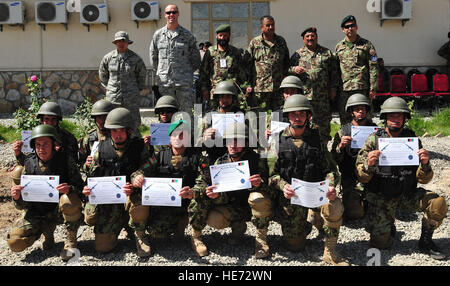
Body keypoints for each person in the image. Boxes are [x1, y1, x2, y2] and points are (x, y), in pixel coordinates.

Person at [356, 97, 448, 260]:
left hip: (406, 194)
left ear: (405, 118)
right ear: (385, 117)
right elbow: (361, 177)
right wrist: (368, 164)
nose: (396, 119)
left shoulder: (412, 140)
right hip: (381, 197)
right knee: (380, 244)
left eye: (399, 116)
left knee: (438, 203)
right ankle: (387, 223)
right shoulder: (373, 140)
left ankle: (425, 241)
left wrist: (425, 164)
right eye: (392, 116)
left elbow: (424, 179)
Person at [268, 94, 349, 266]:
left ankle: (330, 250)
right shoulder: (277, 140)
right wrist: (283, 186)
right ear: (287, 116)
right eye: (293, 114)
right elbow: (270, 176)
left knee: (334, 206)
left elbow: (330, 170)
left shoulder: (317, 138)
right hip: (292, 198)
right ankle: (309, 222)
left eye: (302, 114)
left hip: (316, 193)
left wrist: (331, 186)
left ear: (308, 116)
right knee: (295, 246)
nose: (298, 118)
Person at [189, 122, 272, 259]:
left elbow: (270, 186)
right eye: (229, 141)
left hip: (252, 207)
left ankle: (261, 241)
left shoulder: (256, 161)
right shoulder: (221, 162)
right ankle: (197, 237)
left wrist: (259, 184)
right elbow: (203, 180)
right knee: (211, 214)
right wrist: (198, 192)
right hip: (232, 206)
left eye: (237, 141)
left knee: (258, 197)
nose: (232, 145)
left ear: (246, 142)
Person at [7, 124, 84, 261]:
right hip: (38, 211)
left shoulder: (65, 161)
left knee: (69, 199)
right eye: (38, 145)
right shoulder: (29, 164)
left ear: (54, 144)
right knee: (15, 242)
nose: (41, 149)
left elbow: (81, 188)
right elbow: (22, 206)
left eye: (45, 144)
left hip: (60, 210)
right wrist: (17, 197)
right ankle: (46, 232)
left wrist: (69, 189)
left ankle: (71, 241)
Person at [82, 107, 153, 256]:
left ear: (128, 131)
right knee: (102, 247)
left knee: (140, 202)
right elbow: (91, 174)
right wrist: (88, 189)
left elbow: (148, 165)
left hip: (131, 196)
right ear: (109, 131)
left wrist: (137, 178)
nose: (118, 135)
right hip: (110, 201)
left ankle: (139, 234)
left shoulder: (139, 147)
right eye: (114, 131)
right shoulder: (99, 149)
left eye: (121, 131)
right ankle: (119, 225)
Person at [128, 120, 202, 255]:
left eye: (182, 135)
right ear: (169, 138)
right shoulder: (159, 156)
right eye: (175, 135)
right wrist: (137, 178)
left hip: (187, 202)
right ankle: (143, 235)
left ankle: (196, 237)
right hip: (165, 203)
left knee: (202, 197)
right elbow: (140, 171)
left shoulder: (196, 157)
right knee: (158, 233)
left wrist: (194, 192)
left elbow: (205, 180)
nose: (178, 138)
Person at [331, 93, 378, 221]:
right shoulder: (343, 132)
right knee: (355, 214)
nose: (360, 112)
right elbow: (332, 160)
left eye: (363, 108)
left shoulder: (376, 131)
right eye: (357, 109)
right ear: (351, 112)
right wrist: (340, 147)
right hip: (351, 179)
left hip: (373, 178)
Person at [289, 27, 338, 144]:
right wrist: (294, 69)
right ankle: (307, 148)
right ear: (303, 39)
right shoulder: (297, 54)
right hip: (304, 98)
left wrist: (333, 89)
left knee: (324, 123)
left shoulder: (326, 53)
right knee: (305, 123)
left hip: (322, 97)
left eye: (313, 36)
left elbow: (334, 72)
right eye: (307, 37)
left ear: (316, 37)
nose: (310, 38)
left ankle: (324, 149)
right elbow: (287, 69)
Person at [149, 4, 201, 114]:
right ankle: (170, 132)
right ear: (164, 15)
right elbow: (153, 57)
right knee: (166, 113)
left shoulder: (187, 35)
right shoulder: (158, 35)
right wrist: (161, 72)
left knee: (186, 113)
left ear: (178, 14)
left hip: (183, 83)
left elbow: (196, 59)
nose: (171, 15)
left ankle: (187, 132)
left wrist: (185, 72)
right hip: (165, 83)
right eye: (168, 13)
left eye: (174, 12)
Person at [99, 31, 147, 136]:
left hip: (131, 98)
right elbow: (103, 75)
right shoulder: (108, 58)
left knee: (133, 123)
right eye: (118, 41)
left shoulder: (136, 59)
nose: (121, 43)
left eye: (123, 41)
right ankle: (113, 146)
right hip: (113, 98)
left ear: (128, 43)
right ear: (115, 43)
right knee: (113, 122)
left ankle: (135, 144)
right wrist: (111, 88)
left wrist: (134, 89)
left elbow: (142, 76)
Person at [335, 15, 378, 125]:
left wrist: (373, 88)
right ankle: (345, 140)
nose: (350, 28)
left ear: (357, 27)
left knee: (365, 117)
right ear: (343, 29)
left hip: (362, 87)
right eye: (347, 26)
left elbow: (374, 67)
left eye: (352, 26)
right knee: (345, 117)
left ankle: (368, 141)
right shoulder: (339, 47)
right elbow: (335, 69)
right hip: (344, 89)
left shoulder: (367, 45)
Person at [198, 24, 248, 111]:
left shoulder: (235, 52)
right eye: (220, 35)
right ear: (216, 36)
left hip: (231, 92)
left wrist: (243, 90)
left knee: (232, 117)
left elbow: (241, 73)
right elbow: (204, 72)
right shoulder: (211, 52)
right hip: (215, 92)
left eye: (225, 36)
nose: (222, 38)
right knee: (214, 117)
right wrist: (204, 89)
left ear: (229, 36)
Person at [13, 101, 78, 166]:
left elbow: (74, 162)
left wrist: (59, 152)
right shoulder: (35, 137)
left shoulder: (68, 138)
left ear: (58, 120)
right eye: (46, 119)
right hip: (40, 170)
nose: (50, 122)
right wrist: (18, 153)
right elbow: (28, 163)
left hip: (60, 171)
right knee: (18, 171)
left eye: (53, 119)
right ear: (42, 120)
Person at [247, 15, 290, 112]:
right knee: (261, 118)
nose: (271, 27)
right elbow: (248, 65)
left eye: (273, 25)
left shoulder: (281, 41)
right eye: (268, 25)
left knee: (277, 116)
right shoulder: (255, 43)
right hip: (260, 88)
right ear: (262, 28)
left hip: (278, 88)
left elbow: (286, 63)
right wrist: (249, 85)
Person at [200, 80, 245, 165]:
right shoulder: (209, 117)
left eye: (228, 97)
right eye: (222, 97)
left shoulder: (241, 115)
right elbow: (197, 144)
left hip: (237, 157)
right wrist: (205, 138)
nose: (225, 100)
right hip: (215, 157)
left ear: (233, 98)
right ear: (218, 98)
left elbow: (251, 139)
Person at [78, 99, 115, 172]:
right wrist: (86, 165)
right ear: (94, 118)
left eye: (105, 117)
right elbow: (79, 165)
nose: (102, 121)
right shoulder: (88, 139)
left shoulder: (118, 136)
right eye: (99, 117)